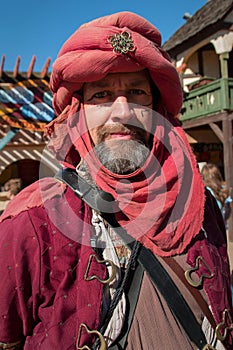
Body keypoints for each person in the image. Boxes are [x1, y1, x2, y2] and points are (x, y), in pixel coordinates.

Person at [0, 11, 232, 350]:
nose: (122, 111)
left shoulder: (202, 207)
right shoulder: (34, 222)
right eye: (101, 96)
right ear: (78, 115)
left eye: (137, 92)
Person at [201, 163, 232, 228]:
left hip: (209, 229)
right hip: (220, 227)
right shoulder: (223, 190)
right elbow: (228, 212)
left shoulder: (204, 192)